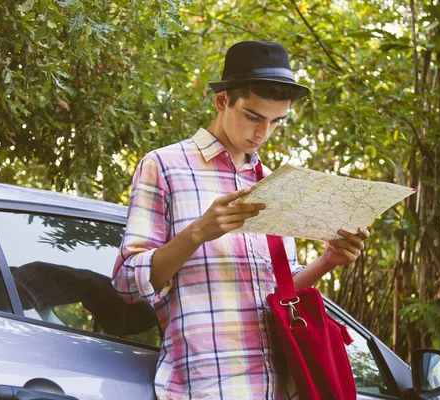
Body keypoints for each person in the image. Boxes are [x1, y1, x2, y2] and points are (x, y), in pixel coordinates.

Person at [112, 40, 369, 400]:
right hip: (209, 387)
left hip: (282, 387)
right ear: (222, 101)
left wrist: (330, 259)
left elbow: (281, 291)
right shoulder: (164, 166)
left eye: (275, 122)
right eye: (253, 116)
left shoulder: (274, 184)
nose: (262, 134)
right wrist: (200, 231)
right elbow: (127, 281)